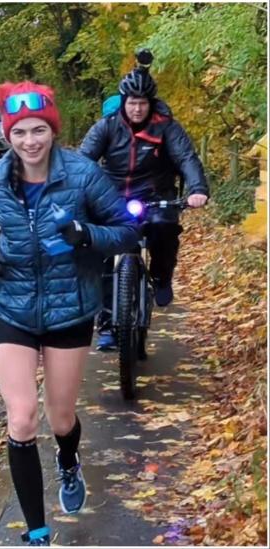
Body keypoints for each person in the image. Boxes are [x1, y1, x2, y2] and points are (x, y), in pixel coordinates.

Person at [0, 81, 139, 546]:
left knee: (60, 417)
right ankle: (37, 532)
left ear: (53, 130)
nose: (30, 141)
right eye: (20, 131)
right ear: (8, 135)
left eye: (39, 130)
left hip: (70, 312)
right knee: (22, 417)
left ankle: (68, 460)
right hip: (12, 307)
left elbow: (127, 232)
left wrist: (85, 234)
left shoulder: (83, 175)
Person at [79, 64, 208, 350]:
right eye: (132, 103)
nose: (137, 109)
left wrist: (197, 189)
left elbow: (186, 158)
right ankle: (108, 325)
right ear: (124, 102)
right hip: (112, 196)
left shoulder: (167, 127)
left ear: (151, 104)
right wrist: (76, 191)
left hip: (155, 193)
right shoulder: (107, 126)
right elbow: (84, 161)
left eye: (142, 103)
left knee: (164, 227)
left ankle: (162, 278)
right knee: (101, 251)